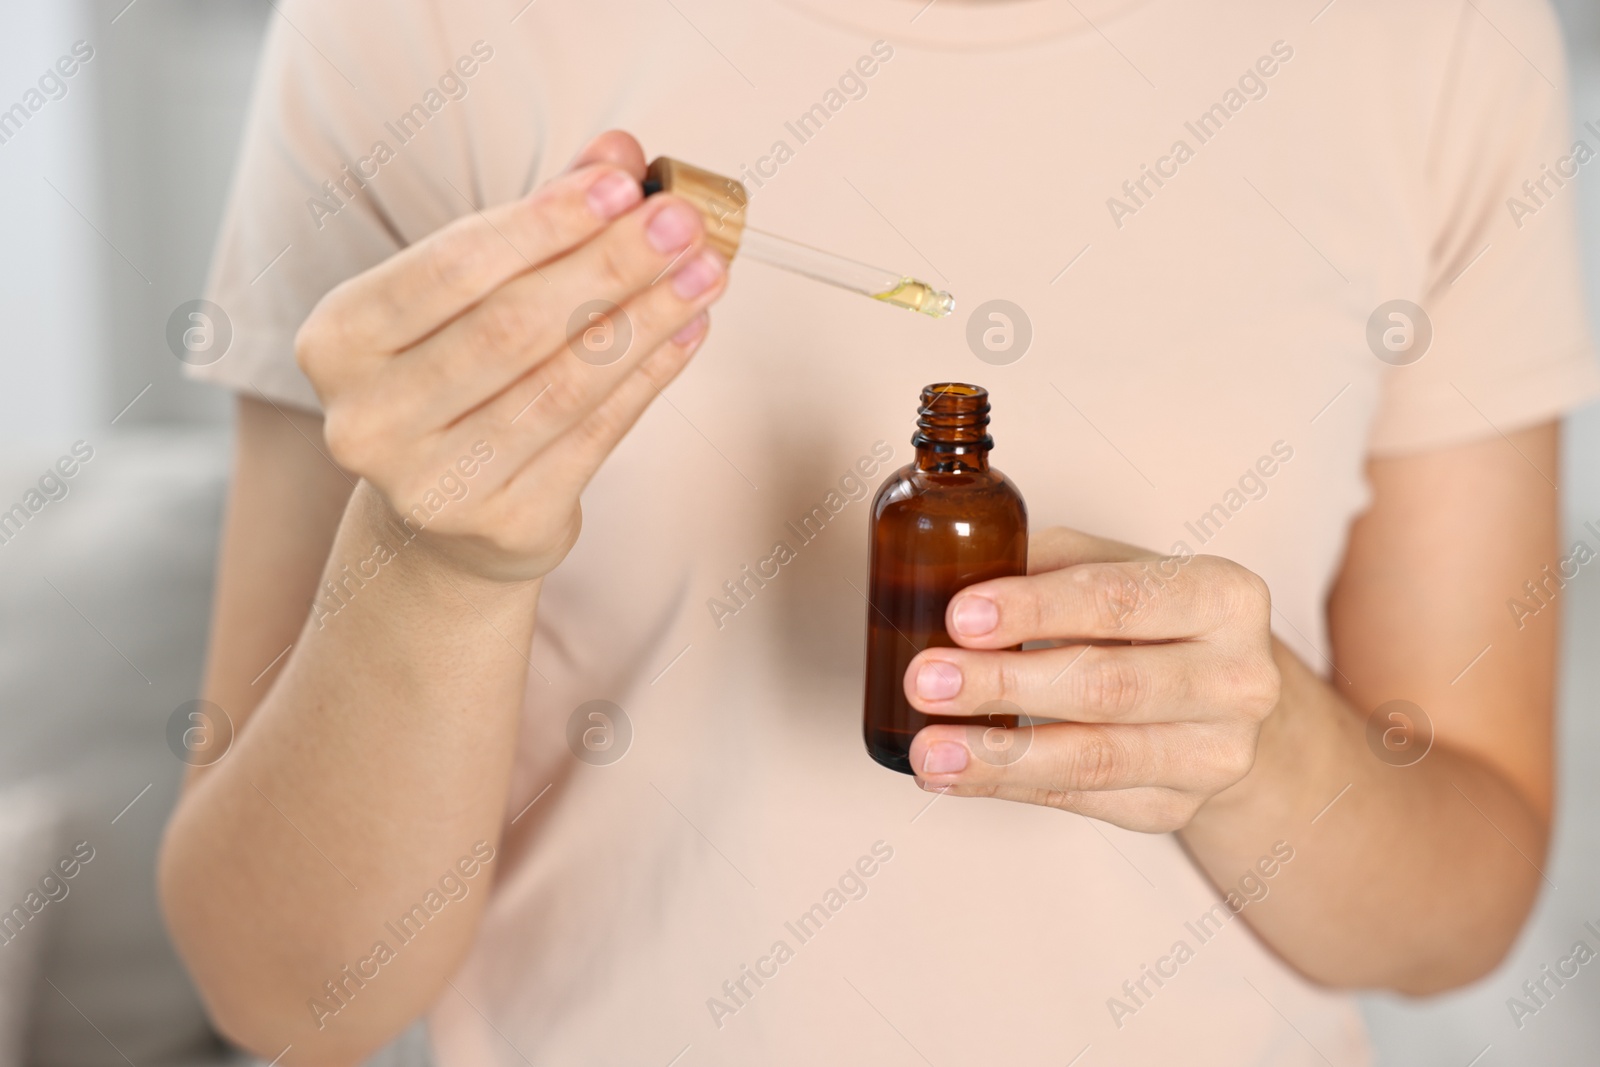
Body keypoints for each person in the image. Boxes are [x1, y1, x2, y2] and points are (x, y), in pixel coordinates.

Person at [157, 0, 1599, 1063]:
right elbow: (288, 997)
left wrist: (1266, 750)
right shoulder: (408, 31)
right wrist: (436, 562)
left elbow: (1459, 917)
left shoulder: (1438, 41)